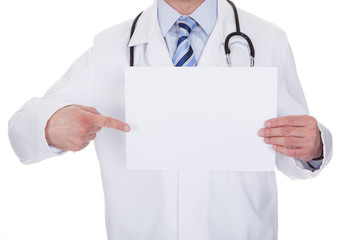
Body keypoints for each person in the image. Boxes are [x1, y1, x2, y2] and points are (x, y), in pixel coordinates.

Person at [8, 0, 333, 239]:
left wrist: (314, 145)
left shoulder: (267, 40)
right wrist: (50, 126)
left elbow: (294, 153)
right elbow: (21, 130)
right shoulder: (109, 48)